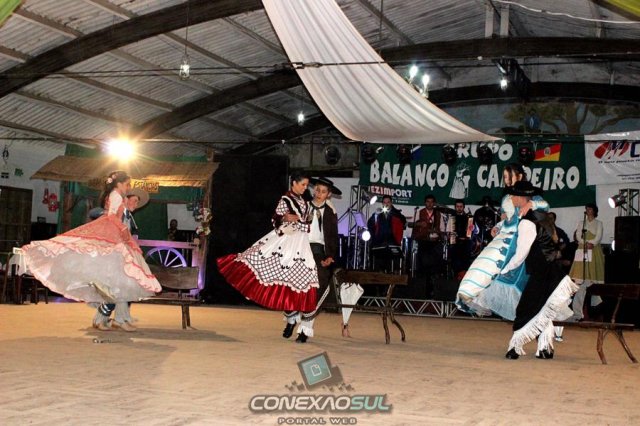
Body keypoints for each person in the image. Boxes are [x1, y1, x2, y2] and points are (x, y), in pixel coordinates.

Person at [21, 171, 161, 331]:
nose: (128, 187)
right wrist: (122, 229)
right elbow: (110, 216)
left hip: (117, 241)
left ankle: (118, 318)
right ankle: (107, 319)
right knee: (116, 283)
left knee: (121, 282)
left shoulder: (117, 198)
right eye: (127, 184)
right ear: (119, 184)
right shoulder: (116, 196)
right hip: (113, 241)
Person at [217, 171, 318, 338]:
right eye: (303, 184)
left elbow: (306, 224)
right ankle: (291, 319)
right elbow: (275, 220)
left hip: (302, 244)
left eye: (307, 185)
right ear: (294, 183)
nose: (305, 188)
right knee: (282, 278)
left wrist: (306, 221)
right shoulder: (285, 200)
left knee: (304, 279)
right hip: (286, 243)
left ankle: (300, 324)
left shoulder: (305, 202)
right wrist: (285, 218)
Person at [457, 163, 549, 320]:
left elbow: (545, 206)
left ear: (519, 176)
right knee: (482, 264)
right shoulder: (507, 197)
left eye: (508, 176)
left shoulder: (528, 194)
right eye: (504, 177)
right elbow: (507, 219)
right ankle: (468, 294)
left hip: (518, 239)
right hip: (503, 236)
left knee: (499, 268)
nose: (506, 180)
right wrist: (498, 226)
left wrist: (530, 204)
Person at [503, 181, 578, 359]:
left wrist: (506, 269)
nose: (511, 198)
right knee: (543, 310)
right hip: (553, 271)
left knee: (526, 310)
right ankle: (545, 349)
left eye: (513, 195)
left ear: (520, 198)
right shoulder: (543, 216)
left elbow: (521, 253)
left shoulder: (527, 222)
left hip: (541, 273)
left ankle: (515, 348)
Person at [92, 187, 150, 331]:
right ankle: (103, 319)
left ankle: (119, 319)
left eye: (137, 202)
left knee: (123, 288)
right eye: (134, 200)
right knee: (115, 289)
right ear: (125, 199)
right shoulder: (117, 213)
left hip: (122, 255)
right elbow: (94, 213)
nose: (136, 204)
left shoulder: (127, 216)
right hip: (114, 256)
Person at [293, 177, 340, 343]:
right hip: (301, 249)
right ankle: (292, 317)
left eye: (323, 192)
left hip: (319, 252)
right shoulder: (303, 206)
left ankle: (305, 327)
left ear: (329, 194)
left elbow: (332, 237)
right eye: (317, 190)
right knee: (296, 285)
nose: (319, 194)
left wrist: (330, 256)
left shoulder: (330, 211)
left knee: (318, 286)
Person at [568, 203, 605, 321]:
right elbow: (578, 235)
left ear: (594, 210)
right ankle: (577, 313)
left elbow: (598, 236)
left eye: (590, 209)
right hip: (582, 249)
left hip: (594, 249)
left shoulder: (599, 223)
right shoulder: (581, 223)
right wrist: (584, 243)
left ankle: (595, 308)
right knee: (581, 280)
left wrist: (591, 243)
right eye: (587, 209)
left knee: (592, 280)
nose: (588, 210)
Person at [411, 194, 445, 296]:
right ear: (425, 203)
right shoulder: (419, 212)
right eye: (428, 202)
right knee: (423, 265)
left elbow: (442, 229)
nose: (430, 204)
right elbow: (413, 225)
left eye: (431, 202)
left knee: (434, 266)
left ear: (434, 203)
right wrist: (420, 225)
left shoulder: (438, 214)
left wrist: (438, 233)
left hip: (435, 243)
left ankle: (434, 288)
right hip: (423, 242)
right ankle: (423, 289)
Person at [367, 195, 406, 272]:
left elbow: (403, 221)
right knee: (379, 264)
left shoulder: (396, 213)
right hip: (379, 242)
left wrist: (394, 214)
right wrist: (375, 215)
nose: (386, 204)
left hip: (392, 242)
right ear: (382, 203)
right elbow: (370, 224)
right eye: (384, 202)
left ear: (391, 203)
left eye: (388, 202)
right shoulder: (379, 213)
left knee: (391, 266)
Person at [450, 199, 473, 276]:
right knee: (454, 253)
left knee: (467, 250)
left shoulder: (469, 217)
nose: (459, 208)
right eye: (457, 206)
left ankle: (465, 272)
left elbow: (470, 232)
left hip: (466, 241)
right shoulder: (452, 217)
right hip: (455, 240)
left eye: (461, 206)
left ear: (463, 207)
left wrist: (466, 237)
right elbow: (450, 231)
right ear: (455, 207)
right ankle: (457, 273)